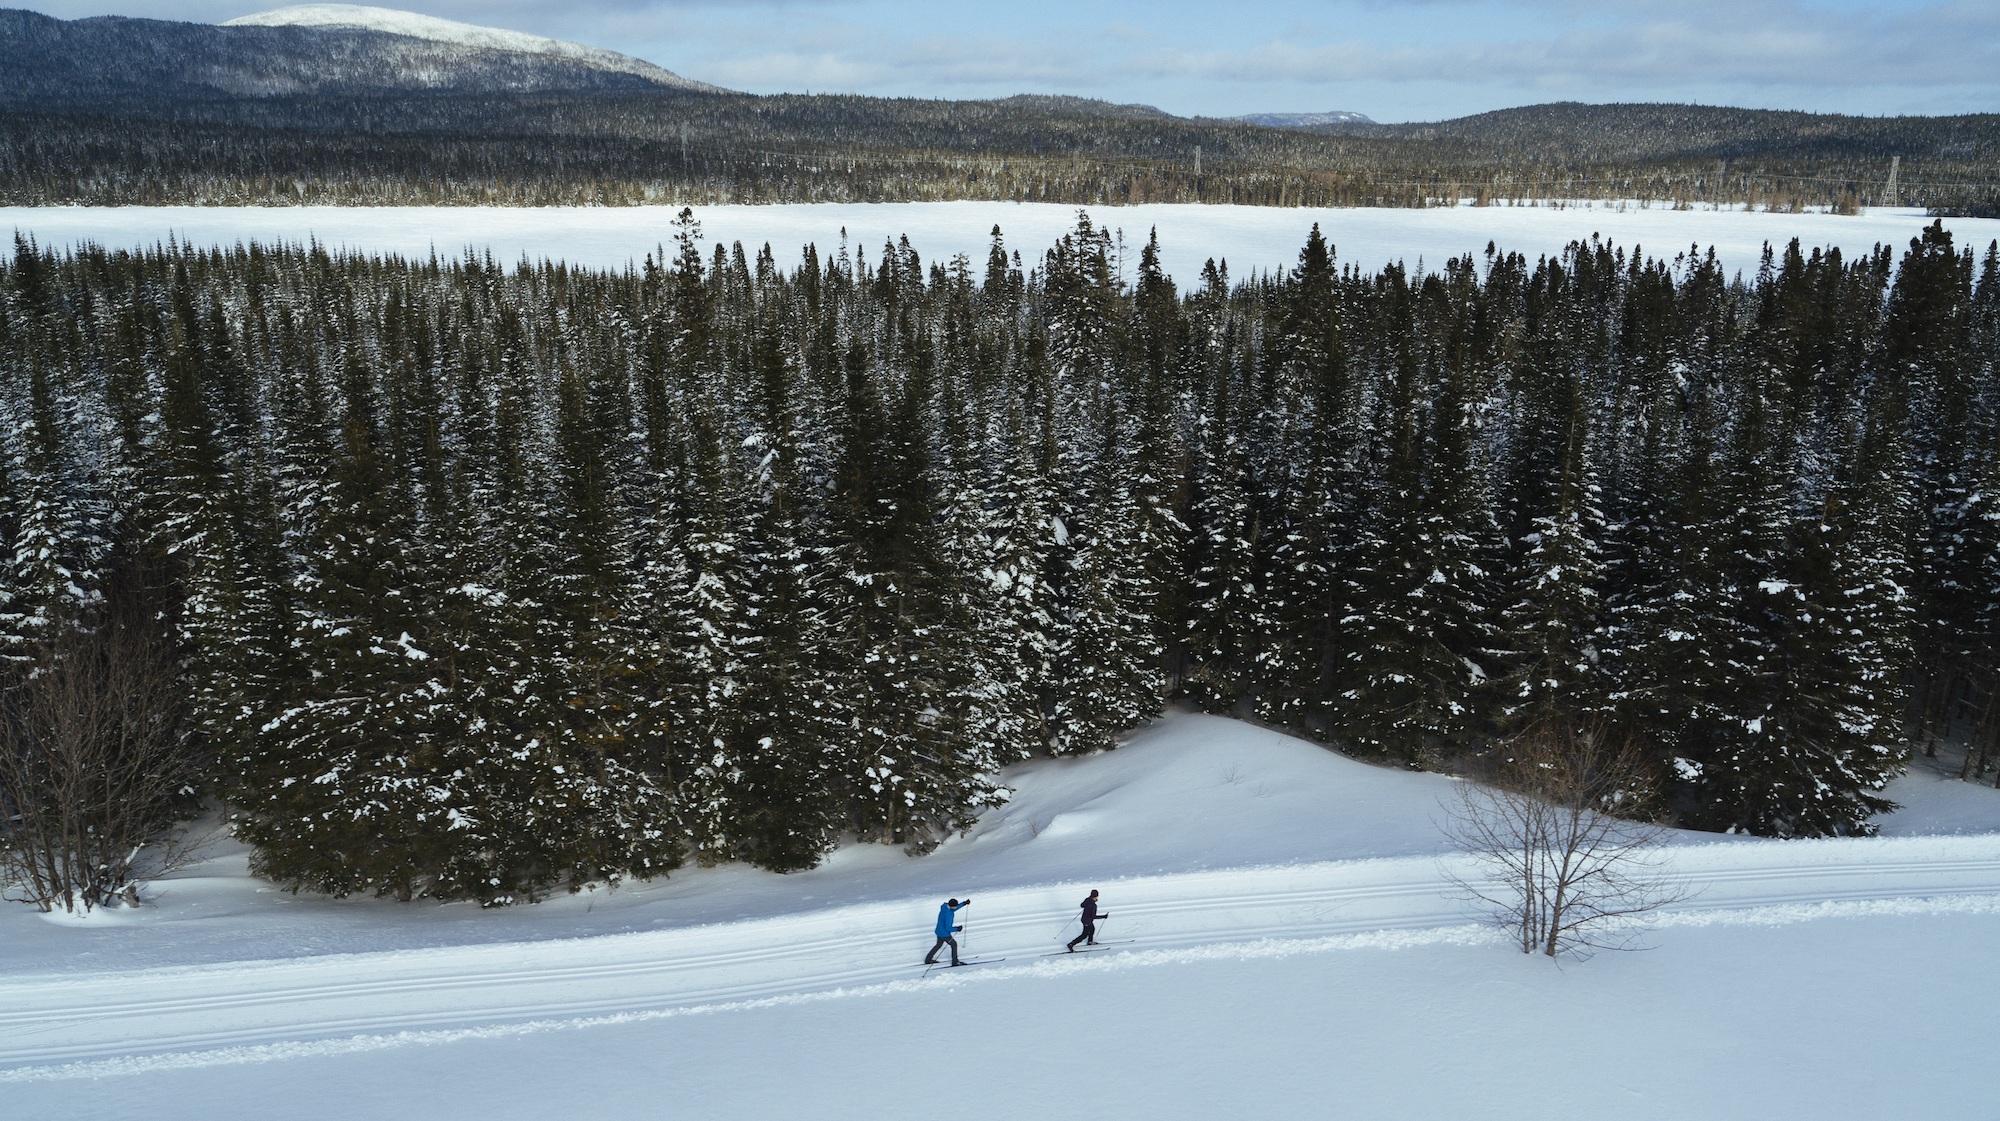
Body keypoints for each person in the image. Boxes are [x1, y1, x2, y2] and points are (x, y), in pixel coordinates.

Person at [924, 897, 972, 965]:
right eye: (955, 906)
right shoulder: (948, 914)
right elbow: (948, 928)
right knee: (954, 944)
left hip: (939, 930)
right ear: (951, 906)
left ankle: (928, 959)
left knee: (938, 945)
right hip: (944, 933)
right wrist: (957, 929)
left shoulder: (945, 908)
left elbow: (955, 908)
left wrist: (964, 903)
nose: (956, 907)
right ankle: (955, 962)